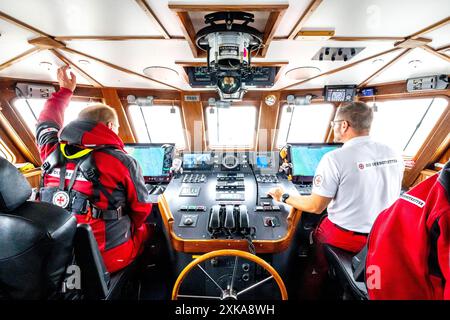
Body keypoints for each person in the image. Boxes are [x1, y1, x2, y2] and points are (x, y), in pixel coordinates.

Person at [268, 101, 405, 298]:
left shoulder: (335, 158)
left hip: (345, 237)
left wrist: (284, 196)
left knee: (315, 253)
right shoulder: (393, 152)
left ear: (344, 125)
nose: (333, 127)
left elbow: (315, 206)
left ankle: (309, 293)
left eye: (334, 123)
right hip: (383, 236)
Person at [36, 66, 152, 273]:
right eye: (116, 127)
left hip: (55, 254)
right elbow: (142, 209)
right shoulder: (122, 161)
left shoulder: (50, 149)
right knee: (148, 230)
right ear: (109, 126)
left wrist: (65, 91)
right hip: (107, 257)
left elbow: (45, 122)